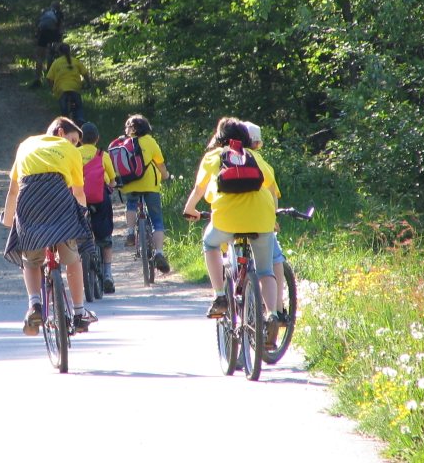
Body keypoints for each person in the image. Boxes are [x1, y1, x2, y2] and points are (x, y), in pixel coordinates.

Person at [182, 117, 280, 334]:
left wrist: (190, 209)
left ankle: (219, 296)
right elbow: (272, 189)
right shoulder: (254, 156)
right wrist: (272, 218)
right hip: (261, 216)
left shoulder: (214, 156)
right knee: (265, 271)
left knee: (210, 243)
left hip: (227, 219)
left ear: (219, 138)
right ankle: (272, 315)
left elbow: (199, 189)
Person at [2, 117, 98, 335]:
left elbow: (13, 191)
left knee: (30, 260)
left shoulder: (25, 145)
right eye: (73, 140)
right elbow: (78, 192)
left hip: (29, 201)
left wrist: (8, 221)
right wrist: (82, 218)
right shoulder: (70, 150)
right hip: (59, 201)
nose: (74, 145)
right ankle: (79, 313)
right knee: (73, 259)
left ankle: (34, 305)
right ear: (61, 132)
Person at [243, 120, 289, 321]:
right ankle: (277, 309)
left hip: (230, 223)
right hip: (260, 222)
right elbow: (272, 194)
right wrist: (273, 218)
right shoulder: (262, 163)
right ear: (257, 143)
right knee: (275, 258)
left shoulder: (225, 159)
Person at [119, 114, 171, 273]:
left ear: (131, 129)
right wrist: (165, 175)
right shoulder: (150, 141)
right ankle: (159, 252)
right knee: (157, 220)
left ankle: (130, 232)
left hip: (130, 184)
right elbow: (160, 165)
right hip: (150, 185)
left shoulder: (125, 143)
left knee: (131, 204)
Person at [79, 122, 118, 293]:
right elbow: (112, 180)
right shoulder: (103, 155)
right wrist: (111, 185)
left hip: (79, 199)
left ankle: (81, 263)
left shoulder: (74, 154)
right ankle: (108, 274)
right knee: (106, 237)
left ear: (79, 139)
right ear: (97, 138)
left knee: (78, 233)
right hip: (100, 198)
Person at [46, 43, 88, 126]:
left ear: (59, 52)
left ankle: (65, 123)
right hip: (75, 87)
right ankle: (80, 119)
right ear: (69, 51)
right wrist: (89, 83)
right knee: (78, 106)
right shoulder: (76, 61)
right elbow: (85, 73)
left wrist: (53, 89)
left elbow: (49, 78)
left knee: (64, 112)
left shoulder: (56, 63)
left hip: (61, 89)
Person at [33, 1, 64, 87]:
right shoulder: (59, 14)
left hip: (43, 34)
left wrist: (37, 36)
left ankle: (37, 79)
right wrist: (60, 40)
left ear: (51, 6)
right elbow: (60, 27)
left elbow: (38, 25)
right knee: (55, 55)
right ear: (59, 7)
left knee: (39, 56)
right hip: (54, 35)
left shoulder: (45, 12)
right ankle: (53, 79)